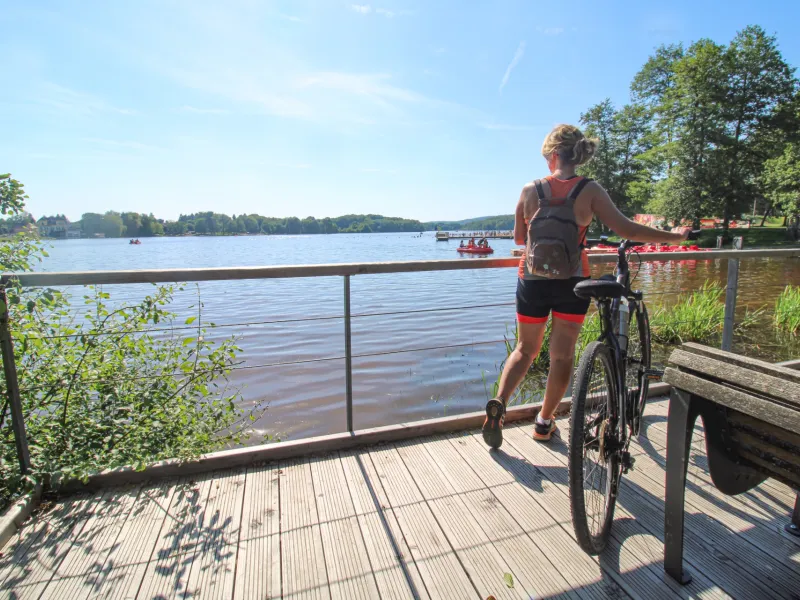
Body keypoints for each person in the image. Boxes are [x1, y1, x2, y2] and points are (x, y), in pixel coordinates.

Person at [482, 124, 688, 449]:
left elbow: (520, 239)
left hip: (531, 280)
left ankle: (500, 403)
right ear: (576, 155)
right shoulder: (590, 190)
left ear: (553, 155)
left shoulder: (529, 189)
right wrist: (674, 238)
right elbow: (627, 229)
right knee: (562, 355)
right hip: (573, 282)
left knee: (524, 350)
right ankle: (544, 423)